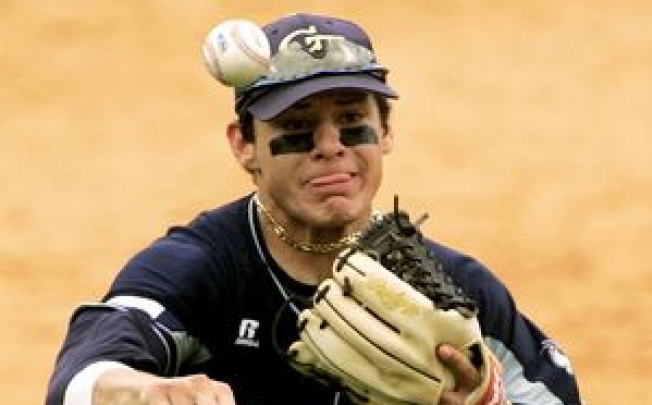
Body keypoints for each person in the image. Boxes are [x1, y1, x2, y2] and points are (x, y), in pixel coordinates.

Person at [45, 12, 583, 405]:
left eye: (352, 122)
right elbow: (79, 379)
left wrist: (488, 399)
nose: (330, 146)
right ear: (243, 144)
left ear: (387, 132)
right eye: (297, 129)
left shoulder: (455, 291)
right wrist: (149, 391)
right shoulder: (200, 269)